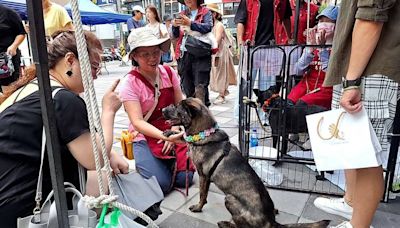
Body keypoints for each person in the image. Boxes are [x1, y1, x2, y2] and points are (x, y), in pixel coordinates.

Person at [0, 30, 129, 227]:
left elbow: (82, 138)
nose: (96, 75)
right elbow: (95, 158)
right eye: (94, 67)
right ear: (70, 60)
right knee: (105, 180)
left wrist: (111, 154)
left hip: (8, 195)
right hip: (28, 209)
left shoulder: (30, 89)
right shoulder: (62, 98)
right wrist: (109, 111)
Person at [313, 1, 400, 228]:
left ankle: (359, 225)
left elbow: (371, 16)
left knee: (368, 157)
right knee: (352, 146)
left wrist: (352, 82)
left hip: (372, 68)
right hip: (359, 67)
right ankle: (351, 202)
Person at [119, 27, 195, 194]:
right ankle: (154, 164)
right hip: (144, 135)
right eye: (145, 54)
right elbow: (137, 122)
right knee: (161, 184)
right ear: (134, 57)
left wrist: (174, 130)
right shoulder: (129, 83)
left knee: (186, 179)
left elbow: (180, 106)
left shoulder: (169, 72)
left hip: (171, 128)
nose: (152, 58)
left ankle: (165, 162)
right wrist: (165, 136)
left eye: (155, 52)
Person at [233, 0, 292, 121]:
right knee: (245, 85)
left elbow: (286, 18)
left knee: (267, 87)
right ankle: (241, 117)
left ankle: (265, 117)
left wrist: (290, 38)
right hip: (250, 46)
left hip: (270, 47)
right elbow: (240, 21)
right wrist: (240, 44)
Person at [287, 6, 338, 110]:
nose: (323, 24)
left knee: (302, 106)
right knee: (287, 104)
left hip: (326, 89)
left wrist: (322, 50)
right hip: (306, 84)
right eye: (321, 21)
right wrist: (309, 49)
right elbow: (297, 70)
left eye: (328, 21)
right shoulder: (312, 43)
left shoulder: (338, 48)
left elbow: (331, 74)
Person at [172, 0, 214, 107]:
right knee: (187, 87)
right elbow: (176, 35)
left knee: (200, 87)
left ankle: (203, 116)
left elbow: (208, 27)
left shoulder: (205, 12)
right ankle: (192, 116)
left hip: (201, 54)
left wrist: (190, 23)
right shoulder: (182, 14)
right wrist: (175, 26)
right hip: (184, 54)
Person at [204, 3, 237, 105]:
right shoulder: (211, 25)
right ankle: (221, 93)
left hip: (220, 53)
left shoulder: (218, 25)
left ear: (214, 14)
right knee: (215, 73)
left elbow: (217, 39)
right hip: (215, 53)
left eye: (209, 12)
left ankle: (222, 95)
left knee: (220, 73)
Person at [0, 4, 26, 93]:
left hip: (7, 59)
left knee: (9, 91)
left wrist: (14, 46)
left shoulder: (8, 13)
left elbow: (21, 33)